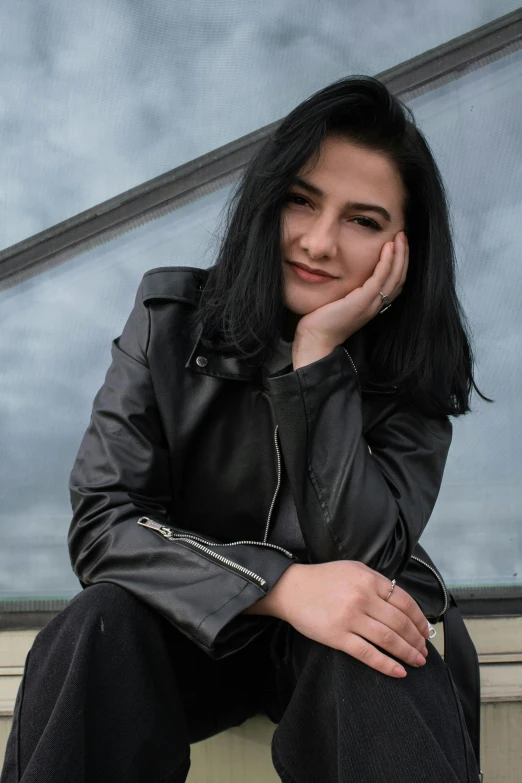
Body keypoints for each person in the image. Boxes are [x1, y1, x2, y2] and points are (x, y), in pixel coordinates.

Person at [1, 75, 491, 783]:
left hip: (336, 670)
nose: (319, 242)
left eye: (363, 220)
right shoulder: (172, 323)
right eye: (302, 200)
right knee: (95, 623)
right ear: (267, 201)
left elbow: (367, 560)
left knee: (379, 643)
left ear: (401, 248)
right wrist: (284, 588)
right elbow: (105, 522)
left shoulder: (414, 371)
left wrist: (319, 360)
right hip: (184, 642)